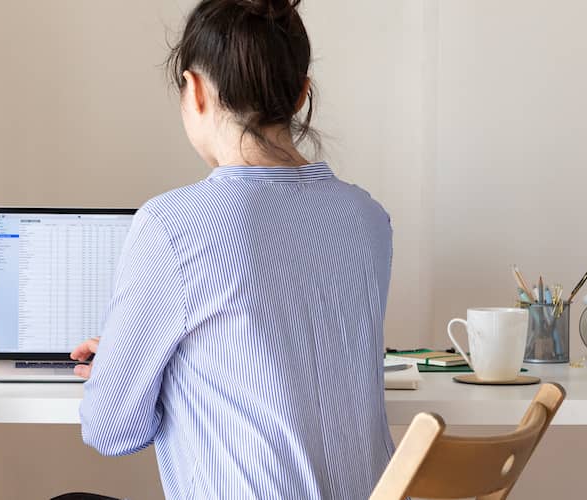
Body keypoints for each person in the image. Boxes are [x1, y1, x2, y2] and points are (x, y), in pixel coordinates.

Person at [72, 0, 395, 498]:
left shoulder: (171, 225)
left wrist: (130, 368)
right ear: (301, 95)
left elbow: (111, 429)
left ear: (194, 90)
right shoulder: (368, 219)